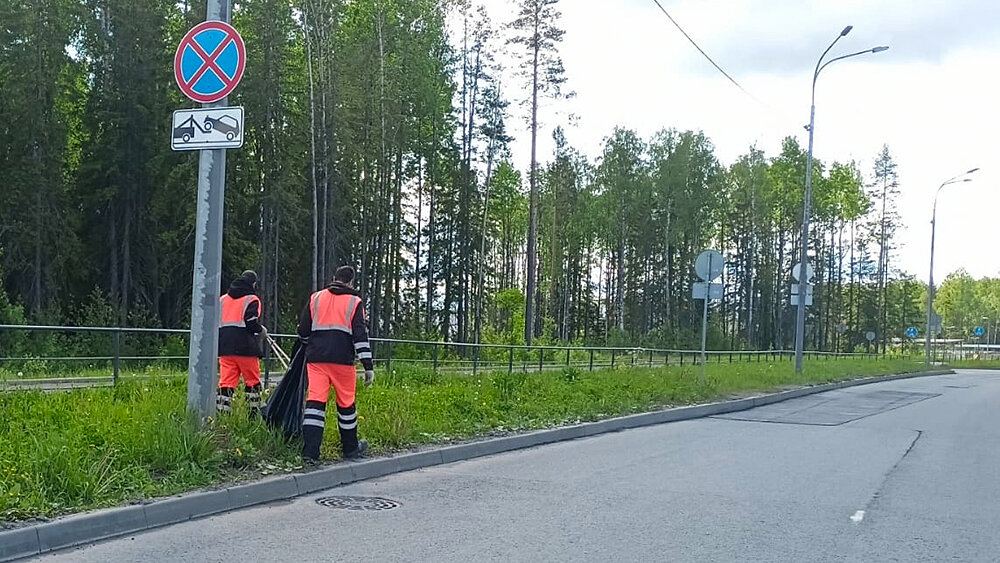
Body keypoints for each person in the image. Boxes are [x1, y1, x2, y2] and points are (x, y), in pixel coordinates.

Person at [297, 266, 374, 461]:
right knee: (346, 405)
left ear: (334, 278)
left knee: (315, 404)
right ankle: (350, 449)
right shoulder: (355, 302)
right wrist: (368, 366)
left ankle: (310, 453)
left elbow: (303, 331)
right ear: (351, 282)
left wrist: (311, 344)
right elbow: (360, 336)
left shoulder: (316, 298)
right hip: (342, 361)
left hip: (317, 360)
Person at [218, 270, 266, 417]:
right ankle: (254, 415)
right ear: (253, 283)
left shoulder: (223, 299)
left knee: (226, 383)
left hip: (225, 347)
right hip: (246, 347)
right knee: (252, 382)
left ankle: (222, 416)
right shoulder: (252, 299)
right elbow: (251, 322)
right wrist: (261, 330)